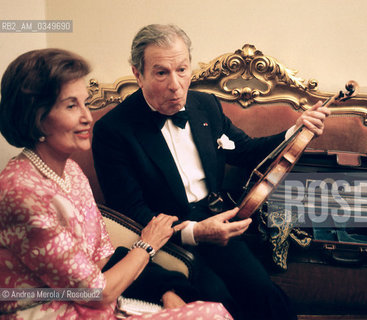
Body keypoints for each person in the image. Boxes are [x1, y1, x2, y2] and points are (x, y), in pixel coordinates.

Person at [92, 24, 330, 320]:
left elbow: (245, 150)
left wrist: (297, 130)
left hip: (219, 222)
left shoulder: (205, 104)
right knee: (219, 300)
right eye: (161, 72)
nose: (176, 85)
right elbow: (130, 212)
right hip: (166, 239)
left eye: (182, 69)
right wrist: (195, 233)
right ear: (137, 73)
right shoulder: (112, 130)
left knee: (266, 297)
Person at [0, 48, 232, 319]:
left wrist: (162, 289)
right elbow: (96, 291)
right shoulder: (21, 193)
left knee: (213, 306)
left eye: (85, 103)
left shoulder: (72, 172)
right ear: (35, 117)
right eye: (71, 105)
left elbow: (102, 256)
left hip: (101, 301)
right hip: (50, 312)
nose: (87, 117)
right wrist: (147, 245)